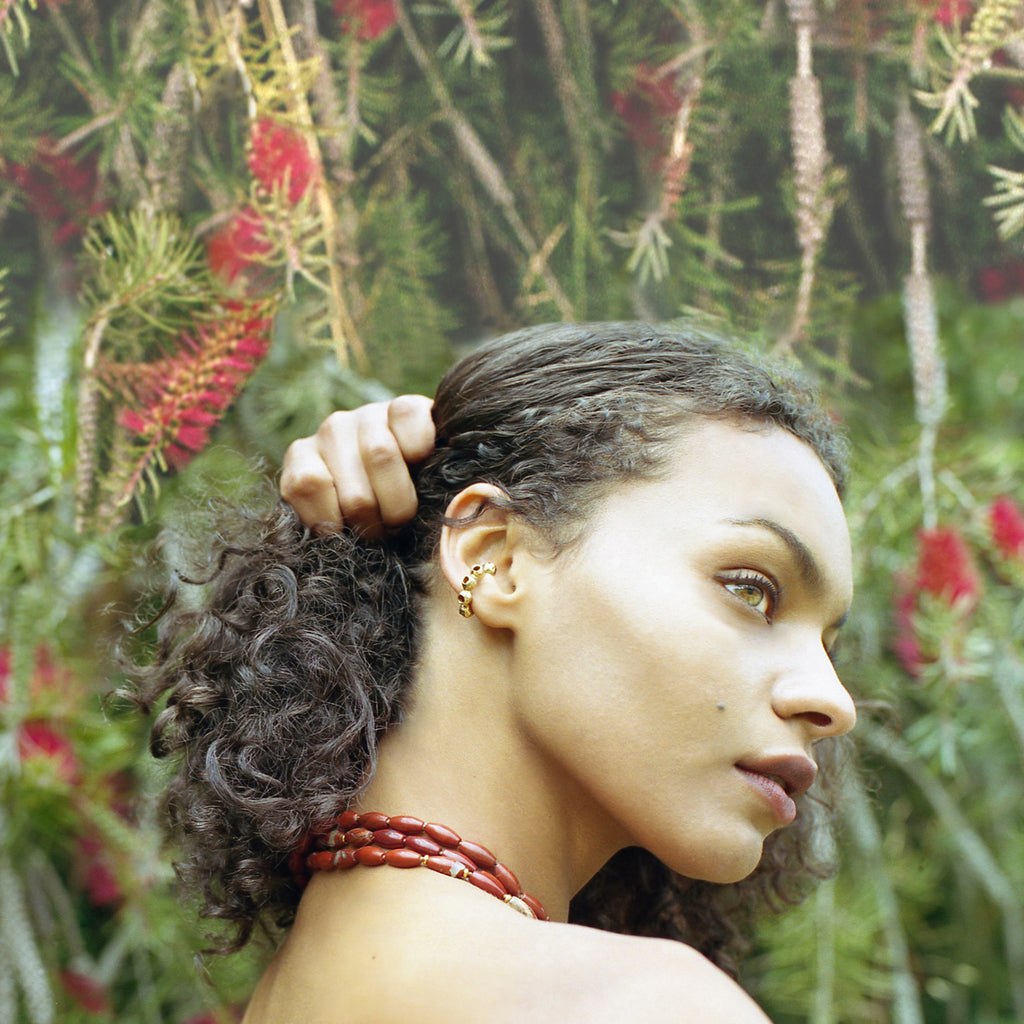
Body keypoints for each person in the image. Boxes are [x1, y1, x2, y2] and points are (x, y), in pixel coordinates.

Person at [135, 321, 857, 1023]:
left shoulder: (297, 994)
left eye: (827, 641)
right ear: (495, 557)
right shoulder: (636, 1006)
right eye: (751, 589)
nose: (833, 701)